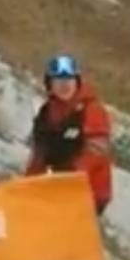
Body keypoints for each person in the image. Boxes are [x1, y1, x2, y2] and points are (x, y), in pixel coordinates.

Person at [25, 54, 112, 215]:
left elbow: (96, 153)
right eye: (58, 80)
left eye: (69, 80)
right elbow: (40, 153)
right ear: (49, 84)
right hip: (59, 190)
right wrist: (28, 184)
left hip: (88, 192)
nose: (64, 85)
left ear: (76, 82)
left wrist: (70, 176)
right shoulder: (45, 113)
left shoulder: (92, 110)